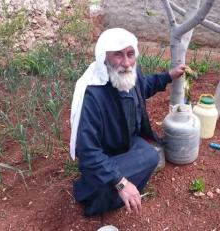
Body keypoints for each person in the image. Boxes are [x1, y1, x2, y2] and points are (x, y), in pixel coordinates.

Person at [70, 28, 185, 216]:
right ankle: (96, 192)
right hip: (105, 156)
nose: (126, 63)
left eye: (130, 54)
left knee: (150, 155)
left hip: (127, 145)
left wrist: (168, 76)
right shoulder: (93, 94)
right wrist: (121, 182)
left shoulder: (131, 72)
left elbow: (143, 85)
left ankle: (117, 184)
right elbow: (88, 152)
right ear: (104, 57)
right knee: (106, 187)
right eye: (118, 55)